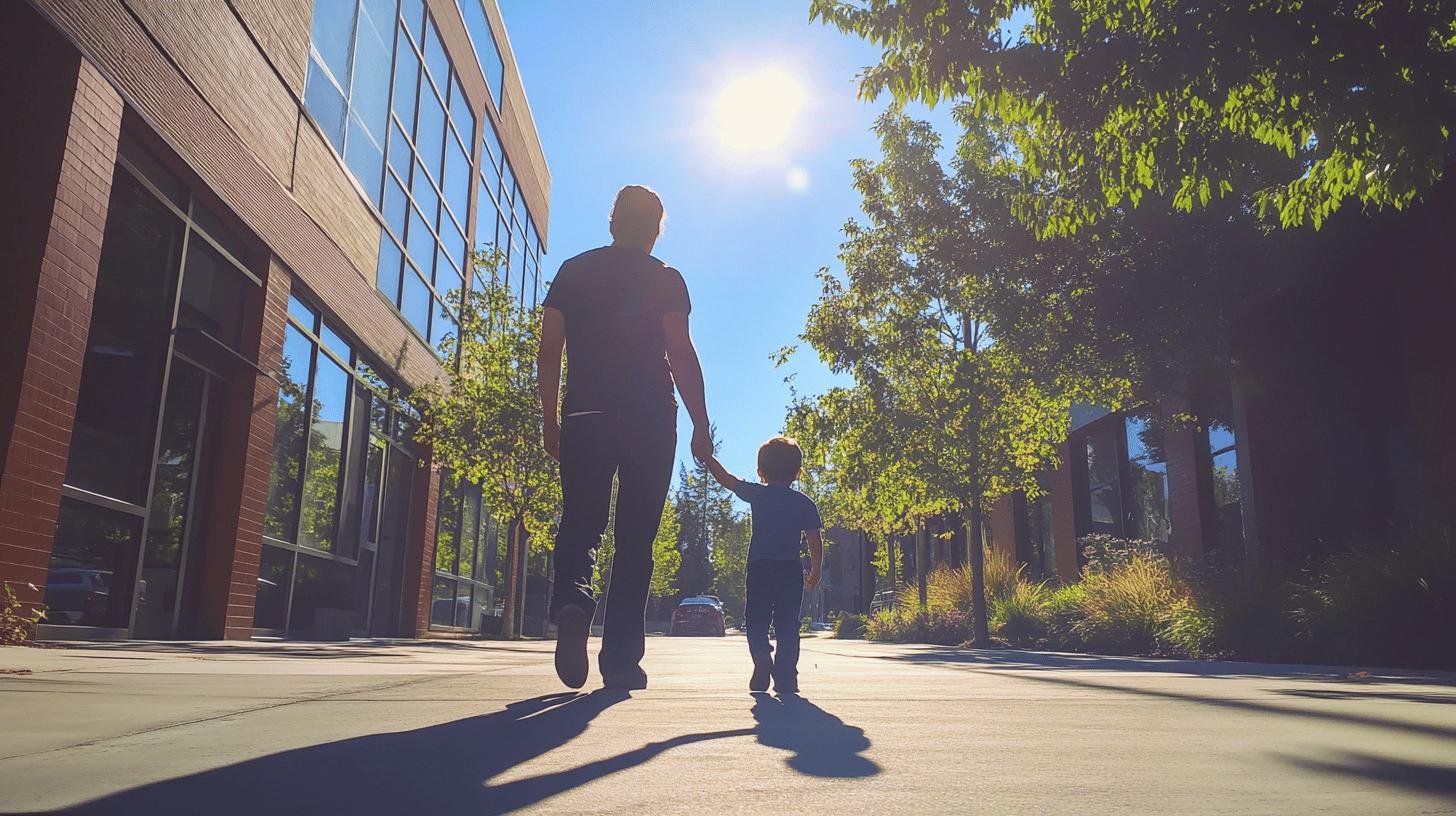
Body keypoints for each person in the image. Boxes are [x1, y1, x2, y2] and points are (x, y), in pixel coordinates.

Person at [537, 185, 713, 690]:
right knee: (636, 538)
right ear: (656, 229)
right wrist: (701, 421)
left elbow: (550, 351)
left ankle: (573, 602)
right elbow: (680, 351)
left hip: (585, 413)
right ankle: (619, 659)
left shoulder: (573, 271)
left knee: (582, 522)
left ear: (612, 223)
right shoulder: (666, 279)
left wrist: (551, 418)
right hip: (650, 417)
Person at [703, 437, 823, 694]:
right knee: (788, 624)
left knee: (756, 620)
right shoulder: (804, 503)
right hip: (790, 570)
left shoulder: (758, 494)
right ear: (797, 472)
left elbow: (727, 480)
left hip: (759, 568)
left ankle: (760, 654)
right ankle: (786, 678)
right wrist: (816, 569)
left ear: (761, 472)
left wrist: (708, 458)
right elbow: (814, 537)